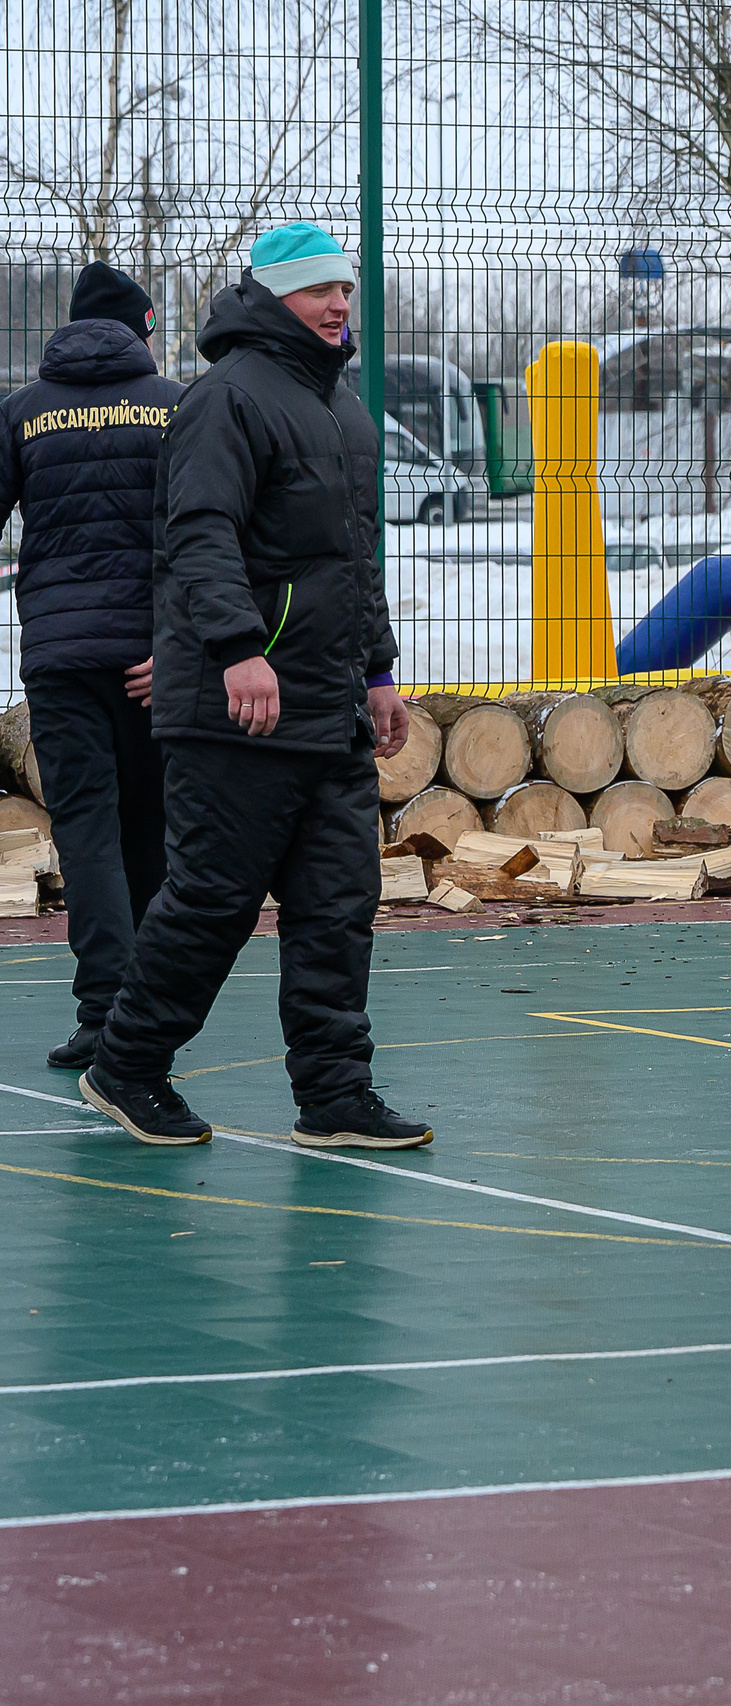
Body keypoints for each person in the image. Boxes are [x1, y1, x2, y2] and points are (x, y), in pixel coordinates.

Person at [78, 222, 431, 1151]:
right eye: (319, 291)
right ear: (273, 297)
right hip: (237, 707)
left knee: (338, 904)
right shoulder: (225, 401)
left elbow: (353, 561)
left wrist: (378, 670)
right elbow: (197, 535)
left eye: (346, 291)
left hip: (328, 705)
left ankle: (334, 1094)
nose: (338, 305)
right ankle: (126, 1065)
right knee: (211, 903)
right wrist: (239, 648)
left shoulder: (343, 410)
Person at [0, 264, 181, 1071]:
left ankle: (102, 1012)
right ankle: (148, 1013)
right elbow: (211, 533)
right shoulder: (177, 406)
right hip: (156, 661)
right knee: (150, 833)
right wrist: (181, 647)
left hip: (62, 658)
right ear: (142, 328)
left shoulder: (23, 411)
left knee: (87, 833)